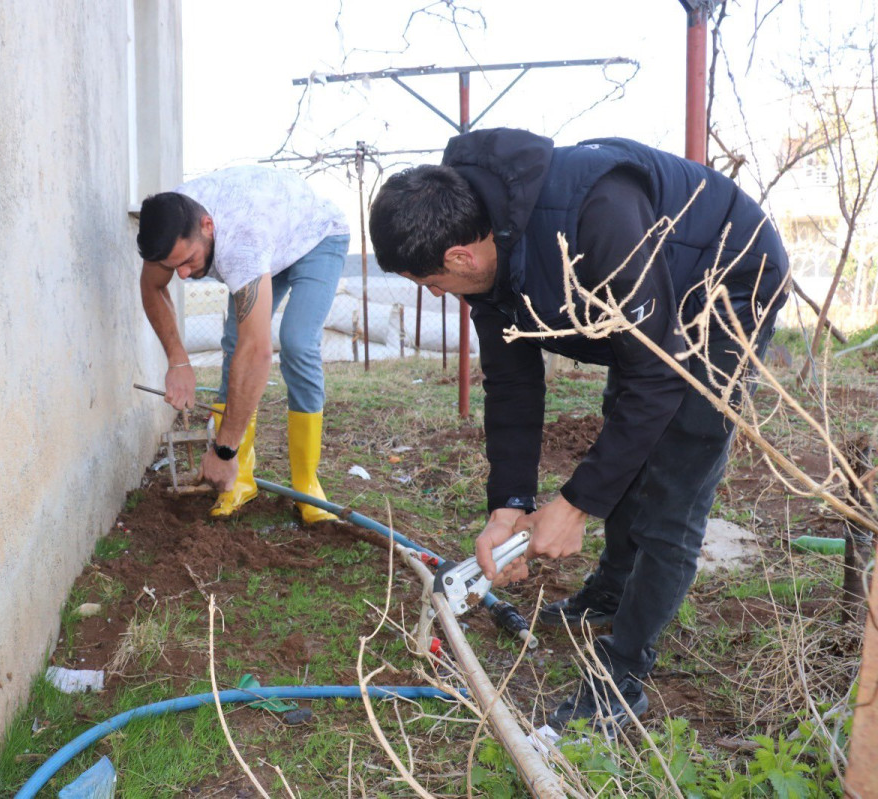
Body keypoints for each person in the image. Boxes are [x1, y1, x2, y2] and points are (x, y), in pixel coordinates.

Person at [368, 127, 789, 730]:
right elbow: (512, 382)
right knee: (630, 435)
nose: (438, 294)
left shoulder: (596, 214)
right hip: (648, 305)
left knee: (673, 484)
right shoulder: (486, 248)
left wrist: (575, 503)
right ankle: (612, 589)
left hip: (725, 289)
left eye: (433, 284)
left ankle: (623, 677)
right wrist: (508, 506)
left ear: (460, 257)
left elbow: (658, 379)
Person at [136, 166, 350, 522]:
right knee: (234, 342)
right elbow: (152, 287)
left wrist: (222, 450)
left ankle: (306, 486)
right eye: (176, 268)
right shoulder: (167, 224)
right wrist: (178, 361)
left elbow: (258, 354)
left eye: (189, 261)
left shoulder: (240, 243)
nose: (184, 275)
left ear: (207, 226)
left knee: (296, 342)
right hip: (269, 230)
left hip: (315, 236)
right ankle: (241, 481)